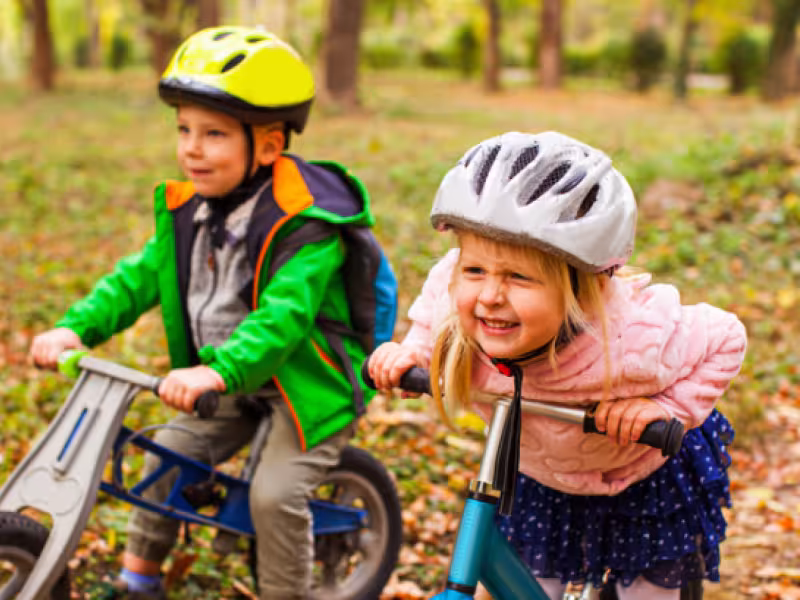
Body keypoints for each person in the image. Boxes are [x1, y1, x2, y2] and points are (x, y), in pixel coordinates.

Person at [29, 26, 377, 600]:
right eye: (184, 129)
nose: (192, 148)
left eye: (214, 134)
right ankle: (138, 580)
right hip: (228, 381)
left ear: (269, 146)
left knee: (274, 496)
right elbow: (137, 278)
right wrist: (75, 326)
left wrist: (216, 372)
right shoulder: (192, 210)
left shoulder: (309, 226)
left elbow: (283, 319)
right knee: (166, 456)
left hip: (306, 386)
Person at [368, 131, 747, 599]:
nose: (490, 295)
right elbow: (435, 315)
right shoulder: (453, 290)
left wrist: (666, 407)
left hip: (640, 477)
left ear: (583, 290)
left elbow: (726, 337)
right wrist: (414, 352)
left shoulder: (631, 341)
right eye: (475, 270)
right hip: (542, 479)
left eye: (518, 277)